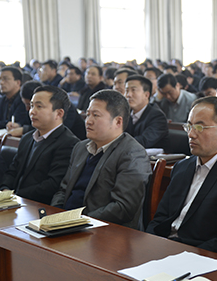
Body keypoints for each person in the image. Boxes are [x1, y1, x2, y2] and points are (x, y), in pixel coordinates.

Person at [146, 97, 217, 255]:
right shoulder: (182, 167)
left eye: (199, 127)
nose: (191, 134)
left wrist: (182, 255)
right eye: (189, 126)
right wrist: (149, 244)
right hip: (163, 247)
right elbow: (160, 219)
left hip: (199, 255)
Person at [51, 90, 152, 230]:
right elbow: (63, 190)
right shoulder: (81, 147)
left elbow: (123, 207)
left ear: (118, 121)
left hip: (103, 230)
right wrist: (56, 214)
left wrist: (79, 221)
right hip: (67, 224)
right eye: (88, 114)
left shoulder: (133, 154)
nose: (88, 121)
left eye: (96, 115)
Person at [0, 86, 79, 204]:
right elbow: (13, 170)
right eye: (31, 105)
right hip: (15, 201)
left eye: (39, 106)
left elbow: (52, 185)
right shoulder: (27, 138)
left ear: (59, 113)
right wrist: (5, 189)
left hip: (38, 206)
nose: (32, 111)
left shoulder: (69, 143)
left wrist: (16, 195)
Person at [124, 75, 169, 149]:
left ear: (146, 95)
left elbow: (143, 141)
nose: (128, 95)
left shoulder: (157, 116)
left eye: (133, 90)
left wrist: (117, 144)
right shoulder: (125, 113)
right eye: (126, 90)